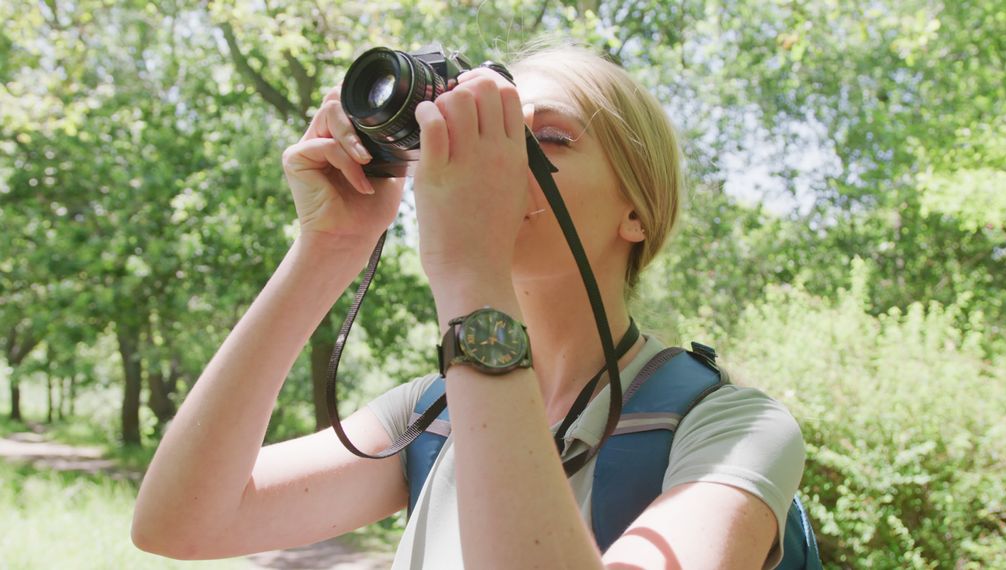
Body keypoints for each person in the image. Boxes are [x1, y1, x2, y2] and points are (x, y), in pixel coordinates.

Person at [131, 41, 806, 569]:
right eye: (496, 133)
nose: (503, 162)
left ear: (638, 212)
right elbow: (180, 524)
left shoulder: (732, 429)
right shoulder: (430, 414)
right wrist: (327, 248)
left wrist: (471, 276)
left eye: (547, 139)